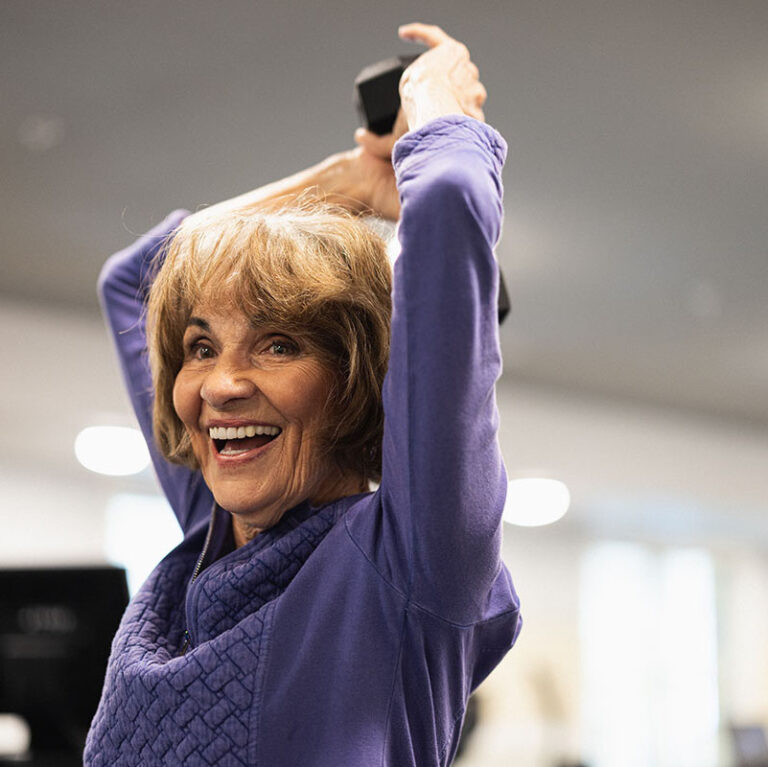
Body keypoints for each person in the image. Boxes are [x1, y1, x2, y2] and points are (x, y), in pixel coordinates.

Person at [85, 23, 521, 766]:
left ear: (357, 377)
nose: (222, 385)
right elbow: (136, 279)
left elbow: (447, 196)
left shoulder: (409, 559)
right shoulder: (211, 544)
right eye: (200, 347)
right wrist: (349, 182)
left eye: (279, 344)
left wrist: (437, 106)